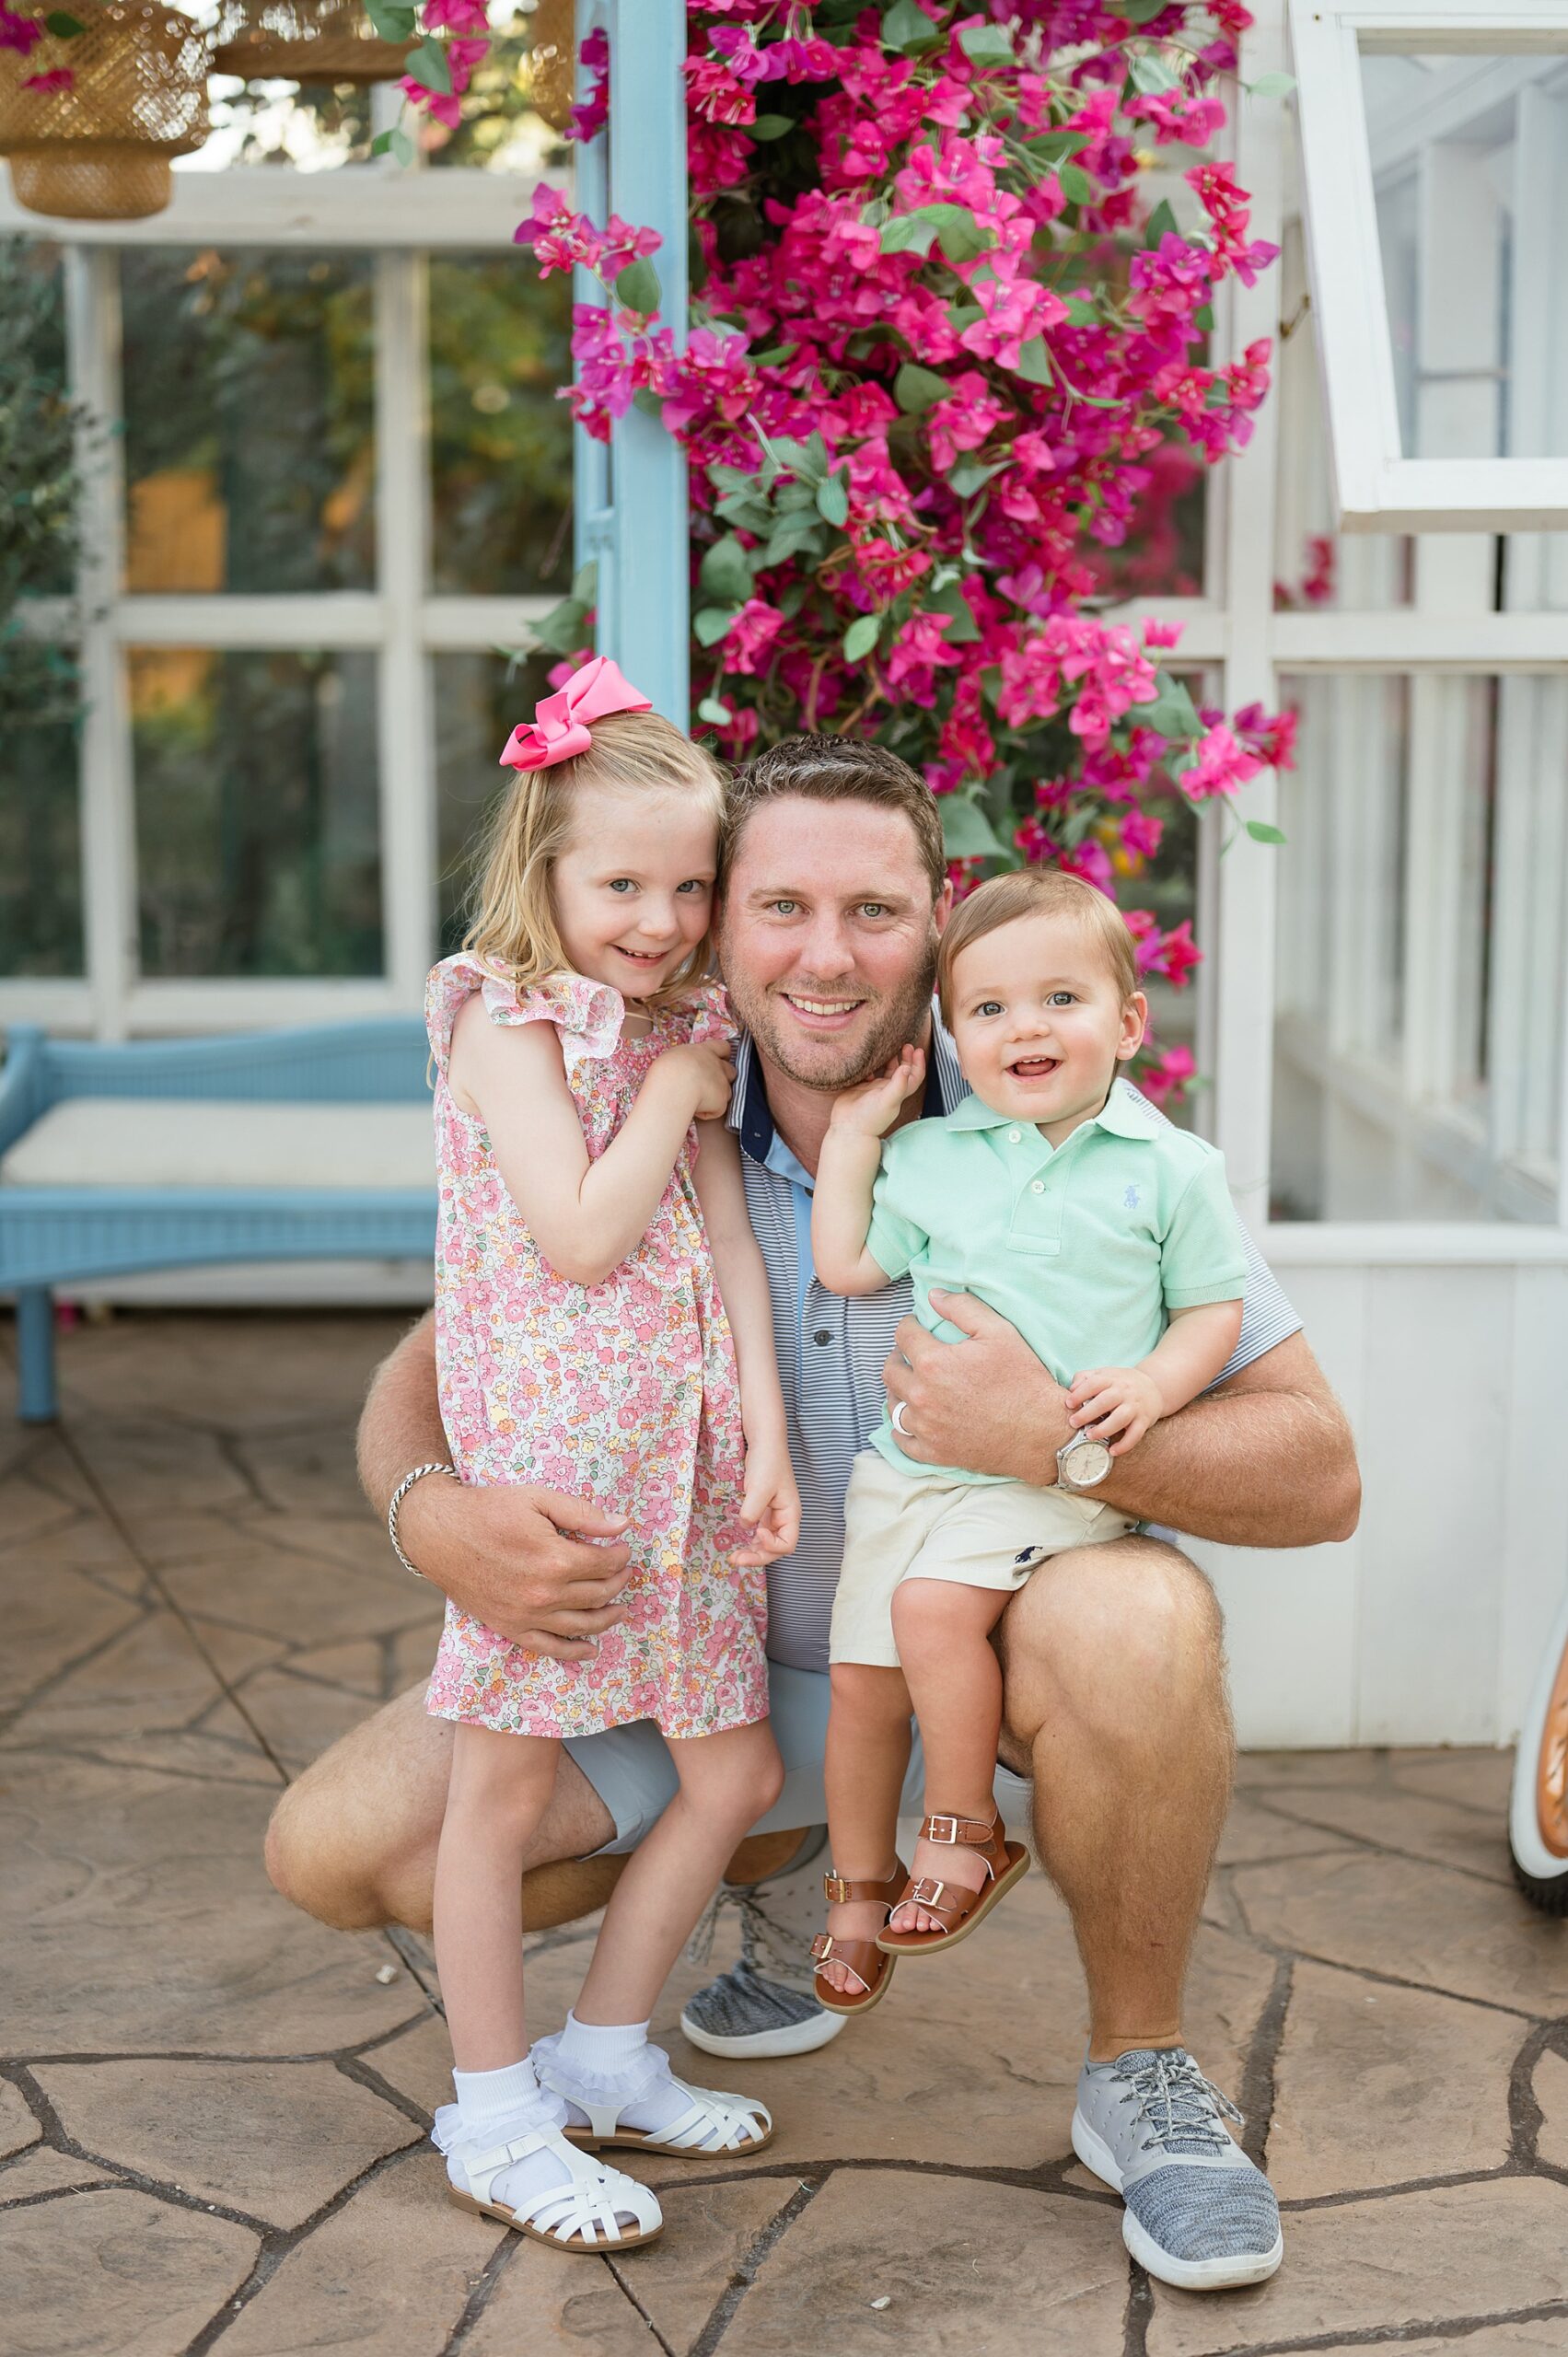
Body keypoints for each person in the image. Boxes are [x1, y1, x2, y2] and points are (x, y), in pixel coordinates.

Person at [265, 732, 1361, 2294]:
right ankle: (791, 1883)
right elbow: (421, 1374)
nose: (827, 956)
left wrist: (1057, 1437)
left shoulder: (1061, 1137)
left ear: (941, 919)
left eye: (876, 912)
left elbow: (1319, 1468)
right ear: (714, 926)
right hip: (721, 1660)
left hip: (980, 1643)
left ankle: (1141, 2079)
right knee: (338, 1849)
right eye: (778, 906)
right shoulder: (643, 1112)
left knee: (1139, 1616)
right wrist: (431, 1518)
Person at [417, 656, 797, 2254]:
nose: (655, 918)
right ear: (546, 871)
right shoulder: (507, 1022)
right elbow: (578, 1235)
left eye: (686, 886)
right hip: (555, 1489)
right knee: (498, 1799)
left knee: (734, 1770)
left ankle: (607, 2052)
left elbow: (721, 1238)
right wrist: (678, 1092)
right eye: (620, 884)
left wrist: (767, 1433)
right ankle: (495, 2114)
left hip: (692, 1474)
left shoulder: (680, 1022)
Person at [808, 869, 1246, 2019]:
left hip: (1044, 1474)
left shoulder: (1169, 1170)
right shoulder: (935, 1157)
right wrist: (856, 1137)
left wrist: (1153, 1384)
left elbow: (1212, 1308)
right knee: (863, 1682)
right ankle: (858, 1883)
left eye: (1060, 997)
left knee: (927, 1615)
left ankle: (966, 1828)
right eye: (990, 1009)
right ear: (955, 1034)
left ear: (1128, 1020)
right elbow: (849, 1264)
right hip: (908, 1469)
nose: (1026, 1027)